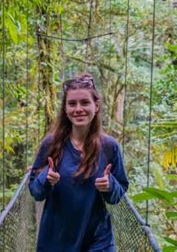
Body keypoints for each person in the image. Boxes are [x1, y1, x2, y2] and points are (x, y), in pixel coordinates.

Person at [29, 72, 129, 252]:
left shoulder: (109, 147)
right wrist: (46, 178)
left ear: (96, 106)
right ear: (65, 109)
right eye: (72, 103)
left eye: (84, 102)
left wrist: (110, 185)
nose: (78, 109)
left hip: (98, 242)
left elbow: (119, 193)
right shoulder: (51, 145)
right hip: (56, 241)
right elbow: (36, 192)